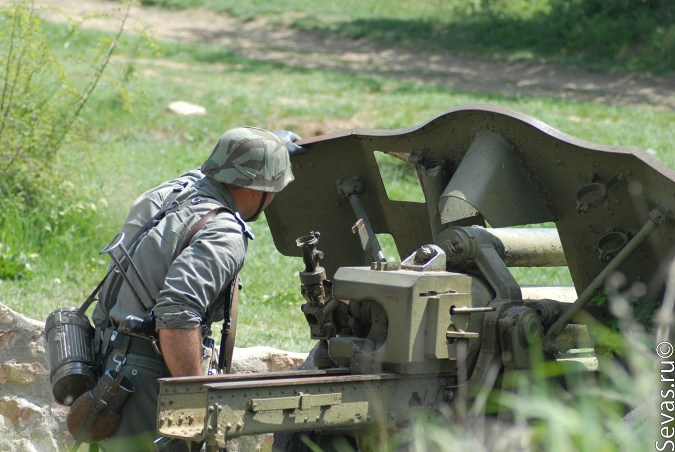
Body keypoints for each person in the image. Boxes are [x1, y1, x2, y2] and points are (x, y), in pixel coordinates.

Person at [88, 126, 300, 450]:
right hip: (148, 380)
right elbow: (177, 313)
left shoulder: (171, 192)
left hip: (109, 363)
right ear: (259, 189)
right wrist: (194, 401)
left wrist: (274, 147)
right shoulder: (224, 232)